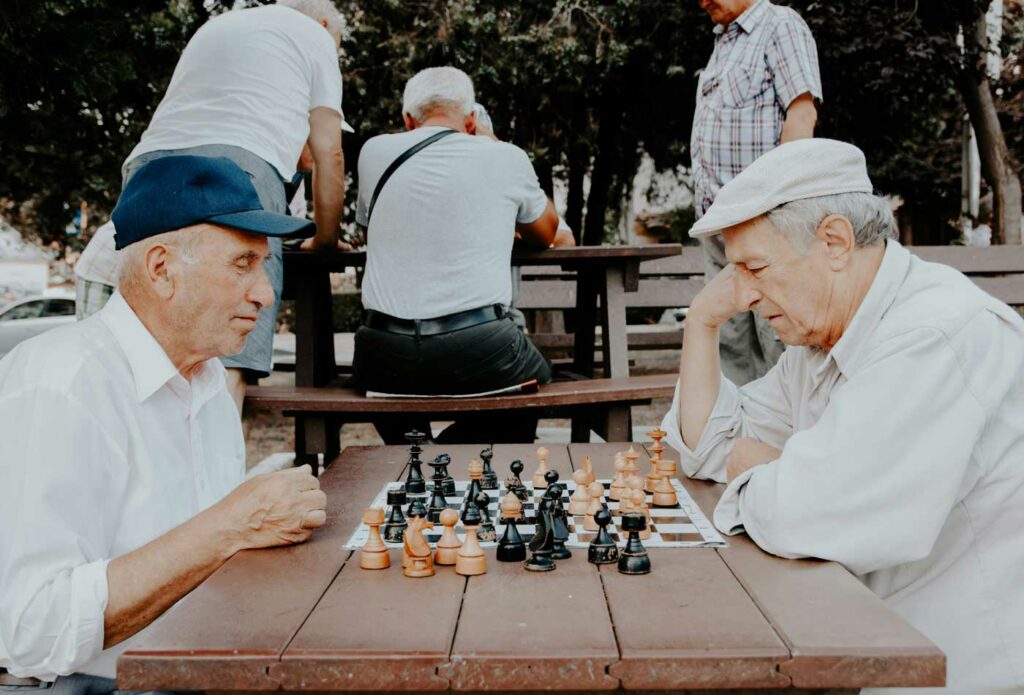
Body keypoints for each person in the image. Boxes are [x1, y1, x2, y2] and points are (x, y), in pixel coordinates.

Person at [662, 139, 1024, 695]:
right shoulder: (822, 342)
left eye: (755, 268)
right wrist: (702, 325)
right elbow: (709, 447)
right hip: (862, 637)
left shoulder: (934, 335)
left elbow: (807, 515)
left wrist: (765, 473)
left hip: (952, 666)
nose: (745, 295)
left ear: (833, 240)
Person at [0, 156, 329, 692]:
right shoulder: (62, 384)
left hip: (191, 670)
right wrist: (232, 524)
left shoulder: (207, 384)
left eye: (264, 267)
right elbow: (30, 632)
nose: (266, 295)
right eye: (243, 264)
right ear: (161, 269)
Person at [74, 0, 348, 412]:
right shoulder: (315, 35)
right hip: (241, 168)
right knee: (230, 347)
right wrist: (325, 241)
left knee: (146, 344)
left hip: (150, 164)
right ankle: (215, 471)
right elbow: (330, 152)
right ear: (326, 24)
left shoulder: (219, 26)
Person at [351, 67, 559, 444]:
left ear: (407, 120)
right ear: (471, 120)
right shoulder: (504, 156)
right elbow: (545, 232)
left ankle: (413, 450)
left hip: (382, 352)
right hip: (479, 345)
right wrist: (493, 142)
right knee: (537, 381)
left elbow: (370, 231)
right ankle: (442, 455)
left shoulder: (373, 152)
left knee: (384, 378)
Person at [693, 0, 822, 385]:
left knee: (778, 337)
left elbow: (802, 115)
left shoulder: (780, 25)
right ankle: (739, 440)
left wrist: (777, 205)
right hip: (718, 219)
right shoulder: (724, 40)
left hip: (763, 218)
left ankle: (790, 440)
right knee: (729, 342)